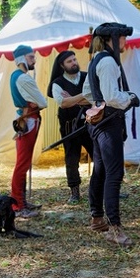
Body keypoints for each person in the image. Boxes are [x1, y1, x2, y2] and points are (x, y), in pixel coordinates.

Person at [82, 22, 139, 247]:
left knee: (101, 170)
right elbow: (112, 96)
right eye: (122, 38)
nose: (125, 42)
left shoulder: (97, 59)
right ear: (112, 40)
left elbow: (88, 92)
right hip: (107, 125)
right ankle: (114, 228)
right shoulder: (106, 61)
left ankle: (97, 218)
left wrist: (96, 106)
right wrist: (130, 98)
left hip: (100, 123)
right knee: (113, 174)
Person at [47, 50, 93, 204]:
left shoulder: (88, 77)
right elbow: (63, 103)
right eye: (69, 61)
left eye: (74, 59)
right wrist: (83, 96)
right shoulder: (57, 83)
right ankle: (75, 192)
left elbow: (94, 98)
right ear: (62, 65)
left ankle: (103, 188)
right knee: (72, 159)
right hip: (69, 126)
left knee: (99, 156)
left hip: (90, 123)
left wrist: (74, 99)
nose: (74, 63)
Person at [9, 44, 48, 218]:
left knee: (23, 164)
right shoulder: (23, 78)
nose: (34, 60)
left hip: (28, 118)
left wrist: (36, 102)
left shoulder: (16, 76)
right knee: (22, 164)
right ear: (23, 59)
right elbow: (43, 102)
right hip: (28, 120)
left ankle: (21, 201)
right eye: (31, 57)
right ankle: (18, 205)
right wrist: (35, 102)